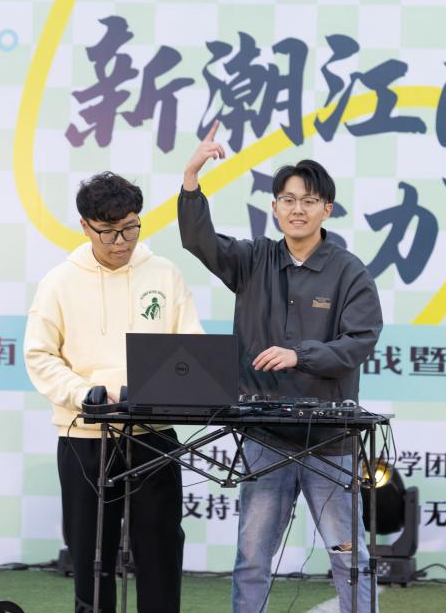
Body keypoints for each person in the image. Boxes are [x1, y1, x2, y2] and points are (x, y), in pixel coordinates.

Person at [178, 123, 383, 612]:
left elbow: (360, 341)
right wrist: (191, 178)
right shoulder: (253, 260)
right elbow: (199, 241)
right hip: (265, 435)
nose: (297, 209)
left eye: (309, 201)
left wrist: (301, 354)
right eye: (288, 200)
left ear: (327, 209)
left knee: (349, 556)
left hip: (330, 439)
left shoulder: (349, 271)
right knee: (252, 558)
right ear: (274, 208)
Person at [24, 171, 202, 613]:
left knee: (160, 553)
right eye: (109, 232)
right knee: (91, 556)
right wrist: (85, 393)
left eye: (130, 228)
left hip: (152, 436)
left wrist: (163, 388)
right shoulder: (59, 282)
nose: (122, 242)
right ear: (85, 227)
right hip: (85, 437)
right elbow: (40, 356)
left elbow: (192, 350)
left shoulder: (165, 274)